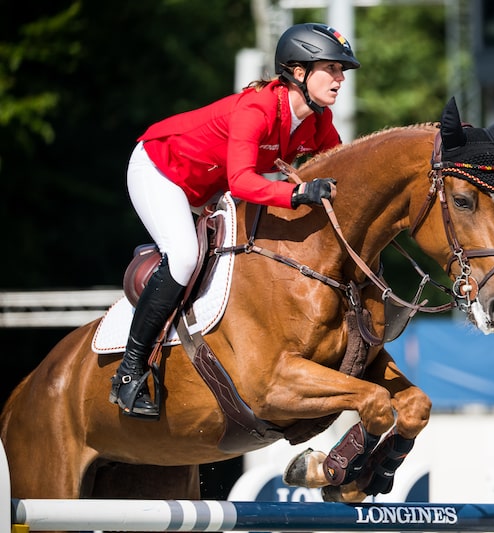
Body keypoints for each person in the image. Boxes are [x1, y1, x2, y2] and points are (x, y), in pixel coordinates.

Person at [110, 23, 360, 418]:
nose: (341, 79)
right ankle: (129, 373)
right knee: (184, 257)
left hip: (206, 191)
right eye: (332, 68)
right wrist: (296, 194)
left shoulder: (318, 121)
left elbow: (343, 178)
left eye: (341, 70)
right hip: (161, 170)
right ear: (299, 72)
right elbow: (242, 181)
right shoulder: (257, 107)